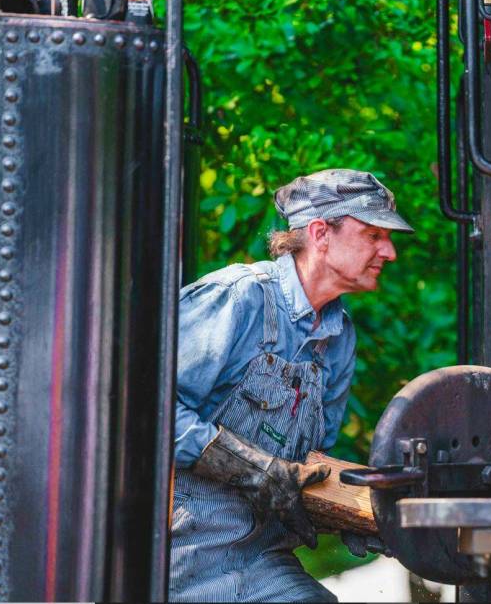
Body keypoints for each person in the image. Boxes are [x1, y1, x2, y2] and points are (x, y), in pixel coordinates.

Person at [168, 169, 413, 602]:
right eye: (374, 234)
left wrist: (360, 514)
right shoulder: (239, 297)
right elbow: (152, 410)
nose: (389, 252)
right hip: (178, 552)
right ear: (321, 233)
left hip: (262, 557)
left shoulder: (339, 337)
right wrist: (255, 470)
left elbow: (311, 466)